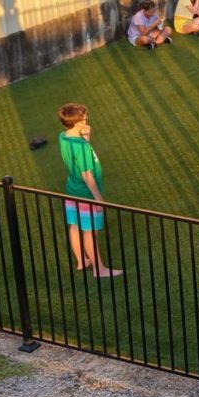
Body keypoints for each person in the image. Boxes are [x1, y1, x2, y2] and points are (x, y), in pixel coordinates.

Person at [57, 103, 122, 278]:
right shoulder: (82, 147)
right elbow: (87, 174)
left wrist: (86, 137)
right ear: (78, 123)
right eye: (85, 117)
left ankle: (81, 261)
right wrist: (98, 198)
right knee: (90, 232)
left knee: (75, 226)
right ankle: (99, 270)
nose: (87, 119)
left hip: (71, 190)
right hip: (86, 193)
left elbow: (77, 160)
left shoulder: (63, 136)